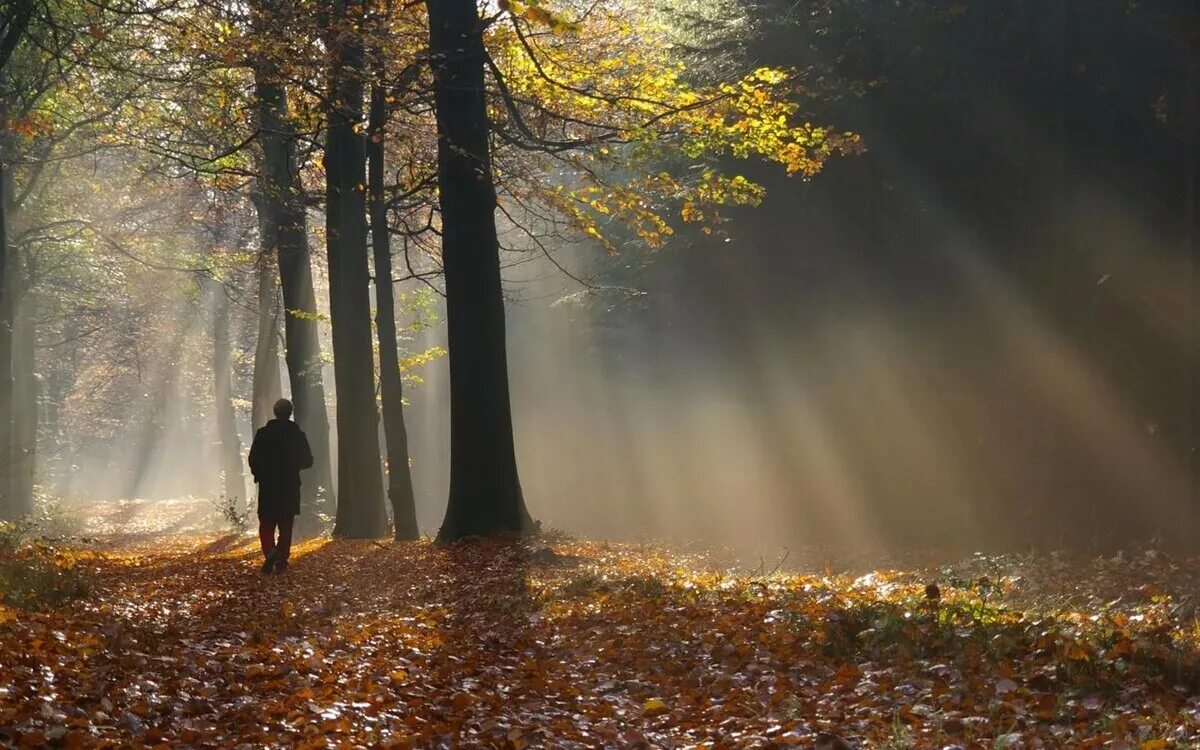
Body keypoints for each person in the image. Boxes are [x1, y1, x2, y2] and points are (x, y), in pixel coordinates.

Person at [248, 398, 313, 574]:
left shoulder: (263, 433)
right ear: (290, 412)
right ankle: (281, 561)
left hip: (268, 486)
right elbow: (308, 461)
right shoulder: (297, 434)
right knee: (286, 525)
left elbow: (253, 459)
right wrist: (292, 465)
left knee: (266, 523)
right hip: (289, 486)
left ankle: (270, 552)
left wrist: (259, 474)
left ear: (275, 412)